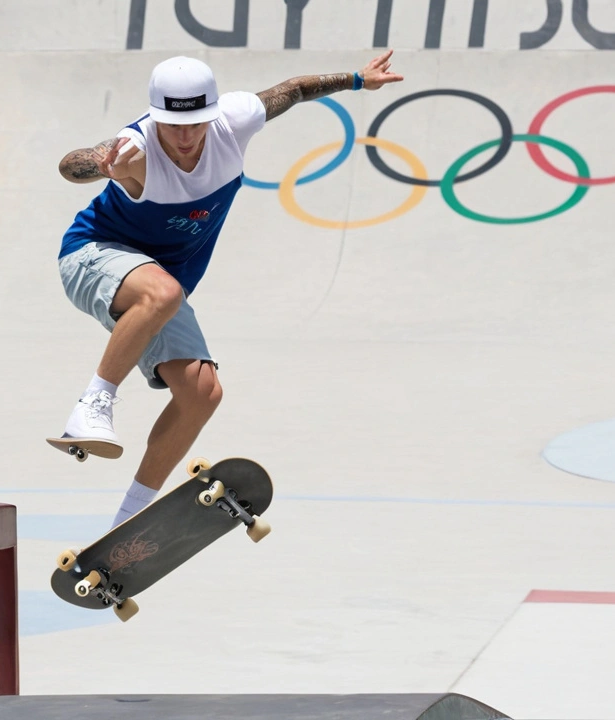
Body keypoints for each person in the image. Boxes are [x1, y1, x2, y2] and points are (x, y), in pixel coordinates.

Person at [50, 51, 404, 529]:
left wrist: (358, 79)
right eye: (171, 125)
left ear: (212, 113)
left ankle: (127, 521)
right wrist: (102, 161)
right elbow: (72, 164)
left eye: (194, 123)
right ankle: (92, 407)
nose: (183, 137)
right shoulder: (136, 147)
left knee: (203, 393)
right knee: (163, 293)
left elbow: (295, 89)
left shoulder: (235, 120)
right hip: (92, 255)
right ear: (155, 118)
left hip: (161, 282)